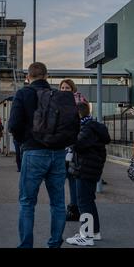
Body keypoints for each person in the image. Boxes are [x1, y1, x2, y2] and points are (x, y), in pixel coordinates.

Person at [9, 62, 79, 248]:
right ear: (47, 76)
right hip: (57, 154)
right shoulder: (58, 95)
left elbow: (13, 125)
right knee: (57, 203)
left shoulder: (23, 94)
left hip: (33, 153)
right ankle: (55, 244)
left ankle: (26, 245)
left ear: (28, 77)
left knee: (27, 202)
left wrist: (24, 141)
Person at [66, 102, 111, 246]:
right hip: (90, 170)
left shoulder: (87, 129)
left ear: (78, 114)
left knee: (83, 202)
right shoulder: (92, 126)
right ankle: (94, 232)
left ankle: (86, 235)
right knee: (88, 201)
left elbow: (78, 144)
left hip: (85, 170)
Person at [59, 79, 86, 222]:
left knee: (71, 177)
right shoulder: (58, 102)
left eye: (67, 88)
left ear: (73, 89)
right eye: (62, 87)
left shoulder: (79, 101)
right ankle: (71, 207)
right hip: (62, 145)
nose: (64, 90)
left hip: (73, 145)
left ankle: (74, 207)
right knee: (65, 178)